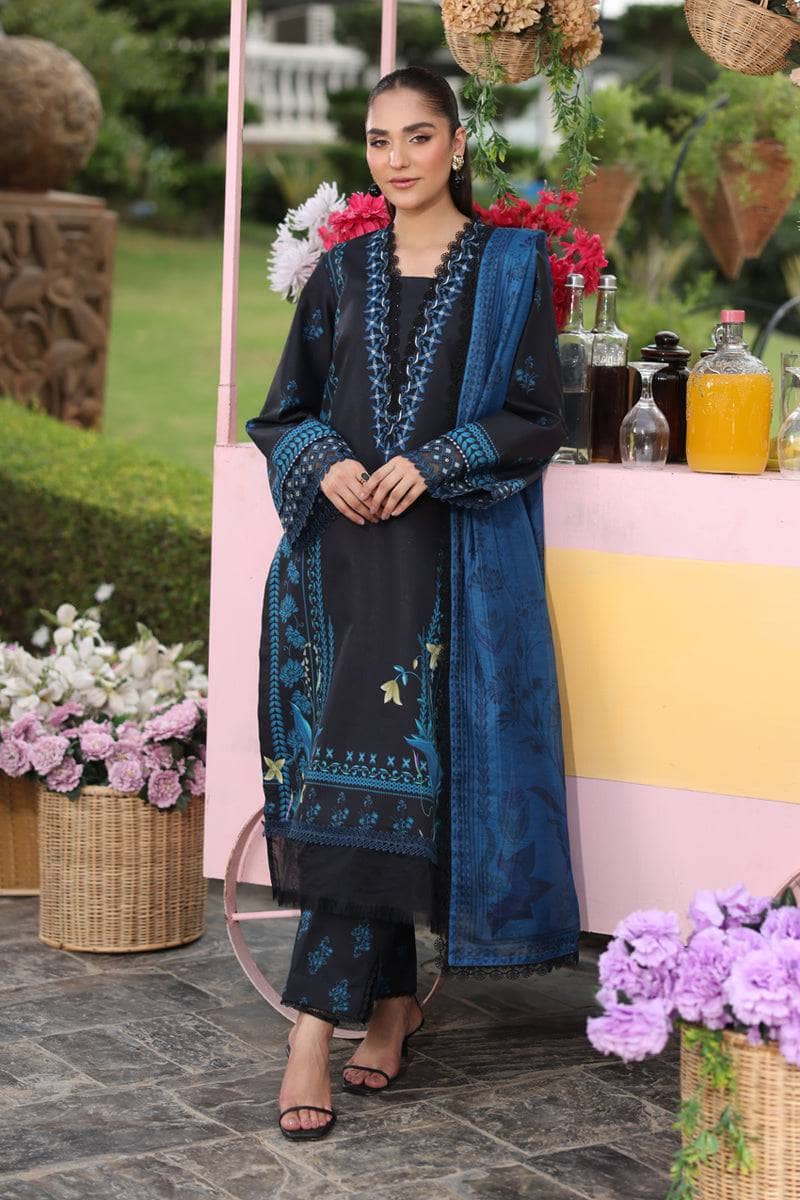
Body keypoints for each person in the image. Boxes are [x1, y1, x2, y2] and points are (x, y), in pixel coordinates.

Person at [245, 65, 581, 1142]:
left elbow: (537, 415)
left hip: (454, 574)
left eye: (418, 136)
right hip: (341, 574)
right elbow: (282, 414)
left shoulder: (513, 266)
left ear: (456, 146)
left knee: (403, 791)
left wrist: (435, 461)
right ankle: (365, 1011)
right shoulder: (337, 277)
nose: (396, 159)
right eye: (379, 140)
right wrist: (323, 462)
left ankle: (330, 1022)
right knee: (360, 786)